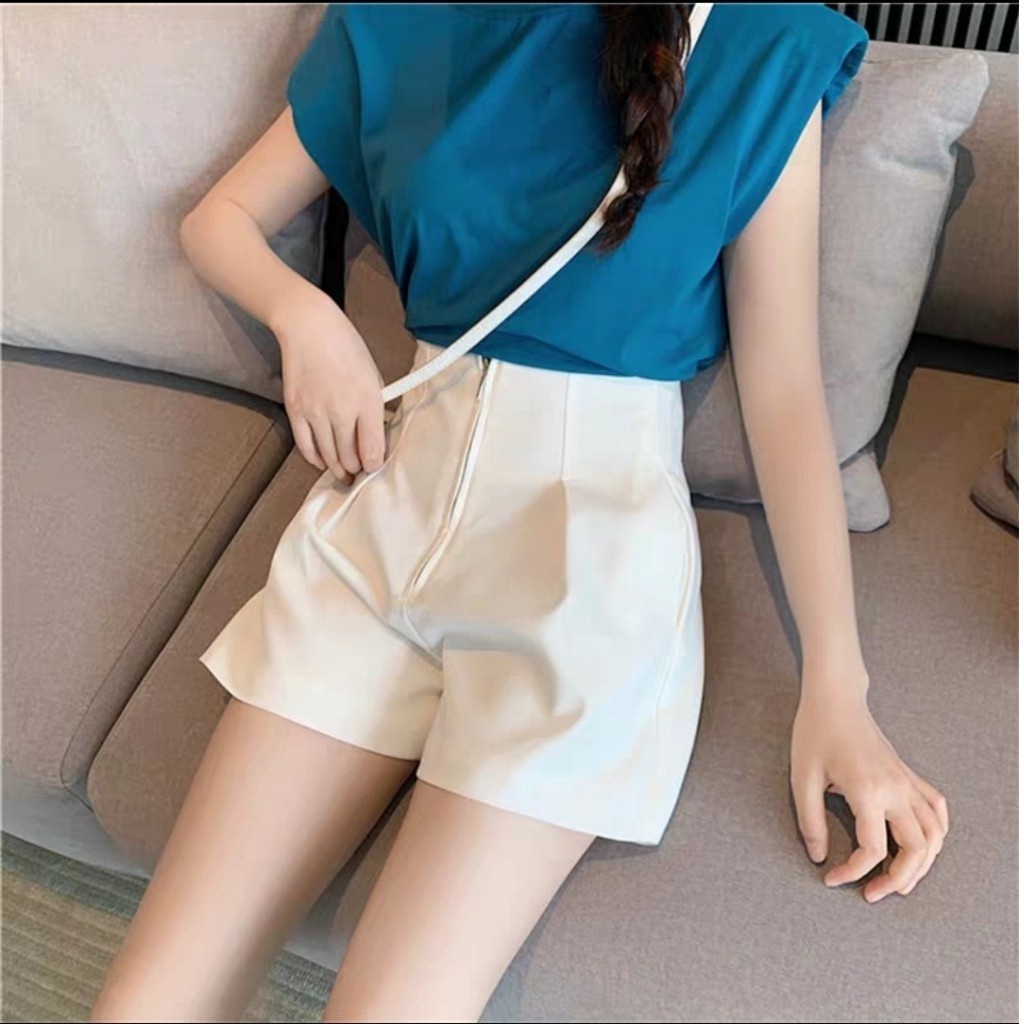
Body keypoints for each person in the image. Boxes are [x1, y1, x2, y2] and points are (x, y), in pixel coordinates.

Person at [90, 4, 949, 1022]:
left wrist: (838, 689)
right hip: (379, 523)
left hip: (584, 571)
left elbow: (785, 392)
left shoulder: (758, 39)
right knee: (146, 1003)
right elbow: (218, 217)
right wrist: (304, 317)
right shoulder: (397, 19)